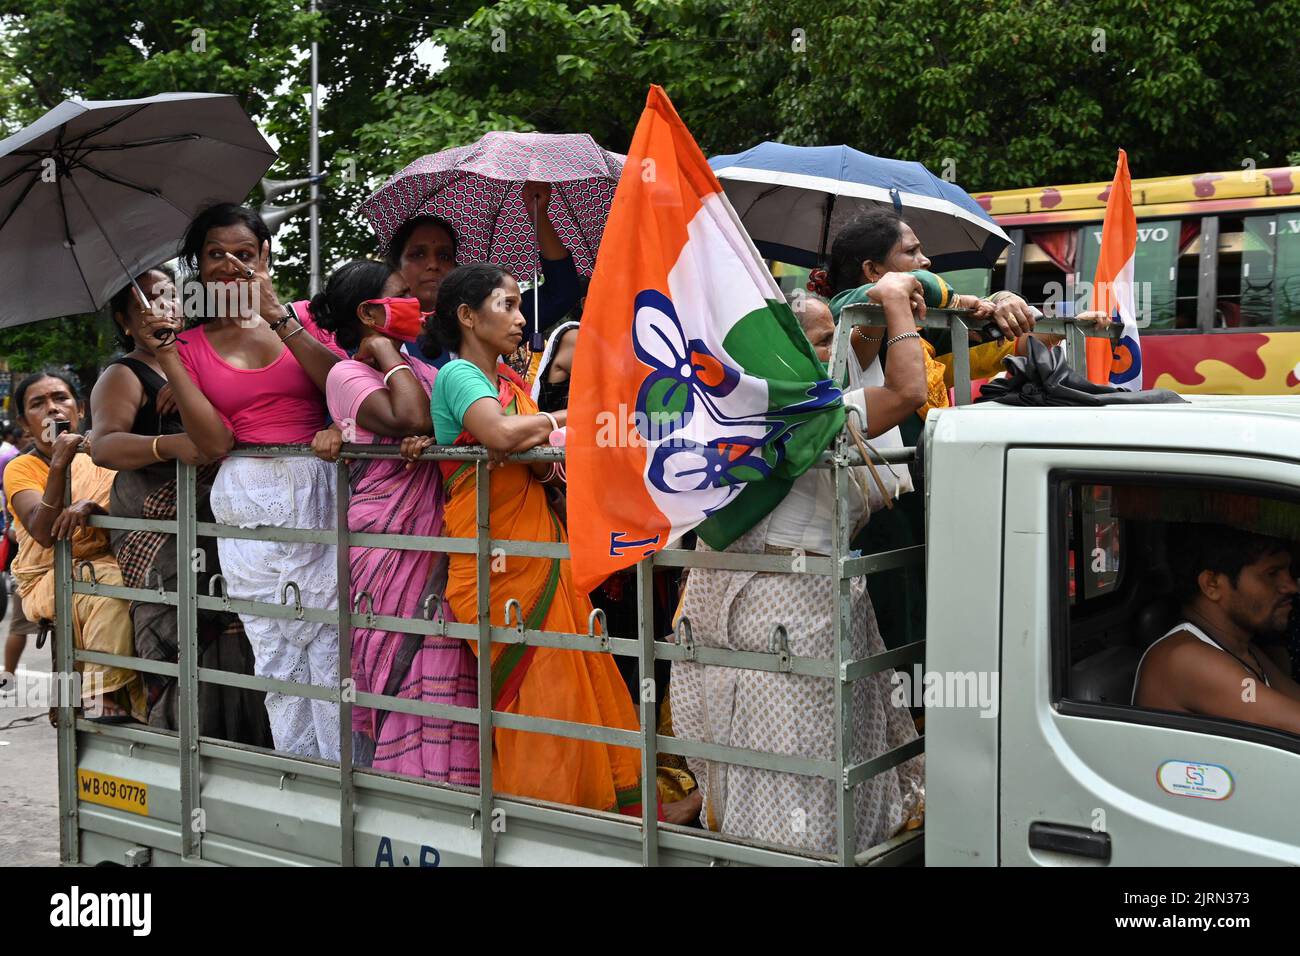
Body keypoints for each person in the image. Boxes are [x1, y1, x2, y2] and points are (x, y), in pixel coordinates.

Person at [670, 270, 929, 854]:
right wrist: (893, 299)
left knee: (789, 751)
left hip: (755, 601)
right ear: (778, 350)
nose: (831, 350)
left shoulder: (731, 406)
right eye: (816, 340)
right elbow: (910, 394)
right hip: (784, 610)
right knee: (796, 754)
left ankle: (768, 846)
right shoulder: (807, 413)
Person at [407, 263, 646, 814]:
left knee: (572, 680)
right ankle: (548, 822)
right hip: (496, 565)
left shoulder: (509, 383)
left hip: (536, 553)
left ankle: (596, 810)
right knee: (537, 694)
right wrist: (557, 422)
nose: (520, 318)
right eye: (506, 305)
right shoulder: (461, 376)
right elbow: (498, 434)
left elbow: (536, 465)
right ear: (467, 317)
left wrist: (529, 436)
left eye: (519, 305)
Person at [157, 203, 346, 760]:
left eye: (244, 253)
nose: (231, 265)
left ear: (265, 256)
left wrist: (277, 316)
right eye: (216, 255)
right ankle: (302, 777)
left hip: (322, 490)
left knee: (337, 643)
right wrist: (171, 364)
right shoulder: (186, 347)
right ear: (198, 265)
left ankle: (352, 788)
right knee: (276, 650)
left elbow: (342, 386)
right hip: (246, 504)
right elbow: (213, 444)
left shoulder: (306, 317)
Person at [309, 260, 478, 784]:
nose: (416, 303)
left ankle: (451, 786)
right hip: (386, 546)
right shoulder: (347, 373)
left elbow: (437, 425)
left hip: (437, 540)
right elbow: (411, 419)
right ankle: (403, 789)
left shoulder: (422, 367)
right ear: (370, 312)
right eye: (402, 295)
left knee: (444, 664)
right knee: (400, 666)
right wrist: (383, 351)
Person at [89, 267, 271, 745]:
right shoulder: (124, 374)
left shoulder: (201, 359)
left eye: (173, 294)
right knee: (183, 649)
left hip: (222, 525)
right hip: (160, 534)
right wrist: (167, 445)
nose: (165, 305)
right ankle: (186, 764)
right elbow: (103, 444)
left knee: (242, 643)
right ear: (126, 321)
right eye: (150, 299)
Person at [2, 372, 145, 721]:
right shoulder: (21, 467)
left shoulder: (103, 455)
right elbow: (42, 531)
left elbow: (129, 505)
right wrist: (58, 466)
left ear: (79, 408)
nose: (52, 409)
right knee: (109, 588)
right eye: (38, 404)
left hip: (103, 559)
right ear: (24, 422)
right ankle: (97, 692)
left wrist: (93, 509)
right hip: (46, 575)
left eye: (60, 399)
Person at [386, 181, 580, 370]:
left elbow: (563, 292)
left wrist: (539, 215)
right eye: (418, 254)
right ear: (396, 266)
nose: (433, 264)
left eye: (444, 256)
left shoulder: (486, 316)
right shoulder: (372, 331)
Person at [1133, 523, 1300, 733]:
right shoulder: (1187, 660)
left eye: (1289, 572)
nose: (1292, 586)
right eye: (1272, 573)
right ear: (1212, 585)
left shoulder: (1240, 647)